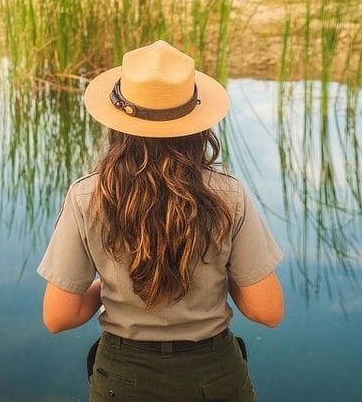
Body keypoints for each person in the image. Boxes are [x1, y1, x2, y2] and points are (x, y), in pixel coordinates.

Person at [37, 40, 284, 401]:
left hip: (122, 381)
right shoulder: (229, 196)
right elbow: (268, 311)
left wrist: (111, 289)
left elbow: (59, 317)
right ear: (196, 122)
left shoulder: (87, 196)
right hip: (214, 377)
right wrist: (216, 277)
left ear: (118, 123)